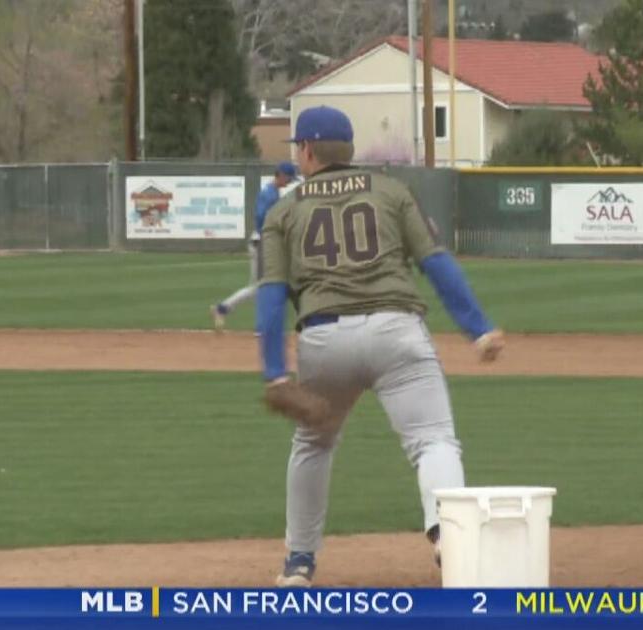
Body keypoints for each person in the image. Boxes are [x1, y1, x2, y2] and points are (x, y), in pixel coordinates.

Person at [257, 105, 505, 587]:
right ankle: (447, 537)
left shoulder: (283, 209)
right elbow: (436, 263)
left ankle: (299, 563)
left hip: (324, 338)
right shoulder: (391, 191)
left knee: (313, 444)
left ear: (306, 150)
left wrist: (274, 371)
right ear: (348, 149)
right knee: (432, 440)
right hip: (397, 332)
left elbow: (270, 297)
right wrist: (478, 329)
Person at [210, 162, 302, 330]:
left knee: (263, 286)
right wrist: (270, 237)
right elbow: (261, 218)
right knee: (263, 286)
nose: (289, 182)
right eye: (289, 177)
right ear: (281, 175)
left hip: (264, 243)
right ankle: (228, 311)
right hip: (261, 244)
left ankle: (222, 308)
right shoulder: (269, 194)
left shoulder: (273, 193)